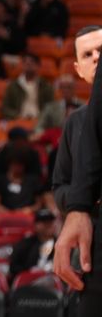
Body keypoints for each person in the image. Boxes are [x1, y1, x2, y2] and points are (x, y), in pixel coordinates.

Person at [52, 25, 102, 214]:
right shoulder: (74, 122)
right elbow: (60, 186)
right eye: (87, 55)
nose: (96, 57)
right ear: (78, 69)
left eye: (101, 50)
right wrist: (85, 197)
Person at [8, 208, 57, 283]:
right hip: (28, 285)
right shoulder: (25, 244)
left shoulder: (61, 244)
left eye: (51, 222)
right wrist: (29, 272)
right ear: (35, 225)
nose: (48, 225)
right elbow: (13, 267)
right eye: (44, 222)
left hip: (54, 284)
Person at [1, 53, 55, 120]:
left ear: (38, 66)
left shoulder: (46, 86)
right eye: (25, 62)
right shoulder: (13, 86)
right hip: (18, 119)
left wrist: (42, 117)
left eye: (32, 61)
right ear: (22, 65)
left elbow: (52, 107)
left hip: (39, 120)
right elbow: (5, 108)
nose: (28, 64)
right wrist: (17, 116)